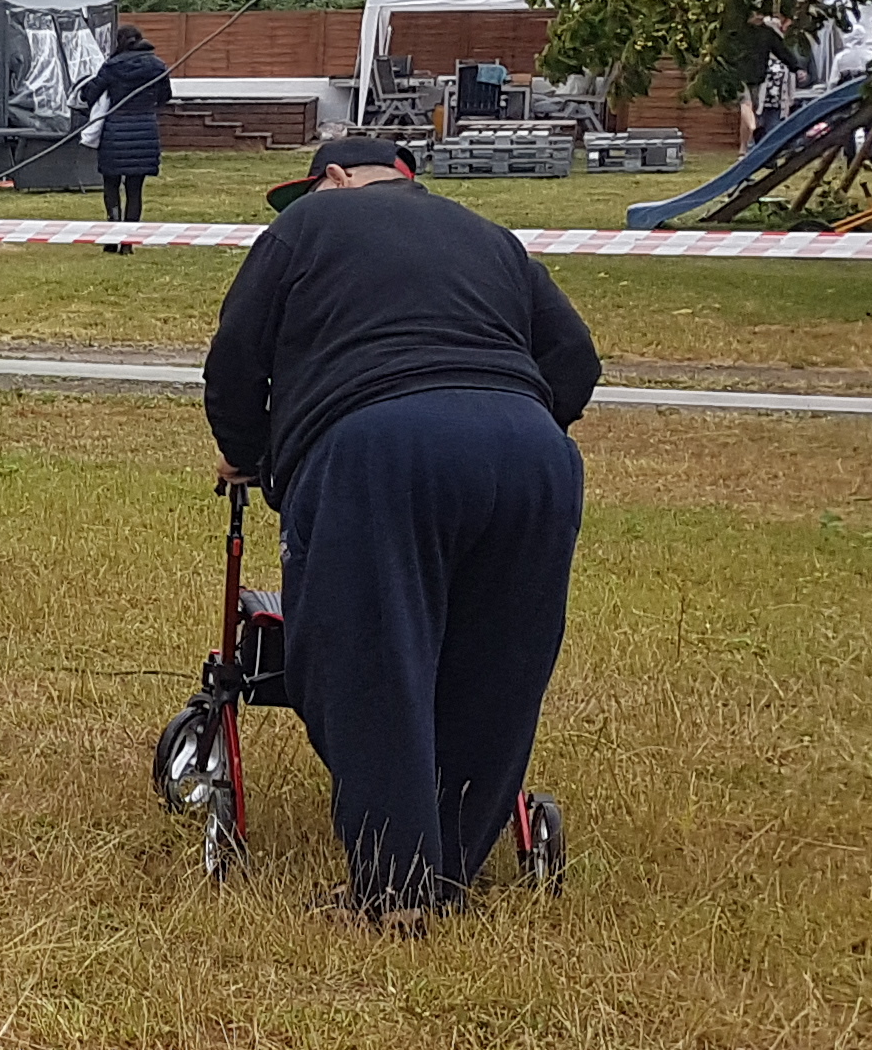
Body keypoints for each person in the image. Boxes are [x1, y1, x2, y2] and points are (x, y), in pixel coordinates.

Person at [202, 137, 600, 932]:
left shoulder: (310, 225)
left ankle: (396, 894)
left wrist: (254, 455)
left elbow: (236, 360)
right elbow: (575, 360)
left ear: (336, 178)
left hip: (380, 447)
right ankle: (447, 872)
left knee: (368, 662)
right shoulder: (489, 236)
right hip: (534, 458)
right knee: (494, 668)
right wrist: (508, 420)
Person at [78, 22, 173, 250]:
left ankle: (112, 237)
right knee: (135, 188)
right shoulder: (157, 66)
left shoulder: (113, 66)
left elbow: (91, 94)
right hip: (145, 129)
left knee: (111, 184)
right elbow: (166, 96)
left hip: (115, 131)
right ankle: (128, 242)